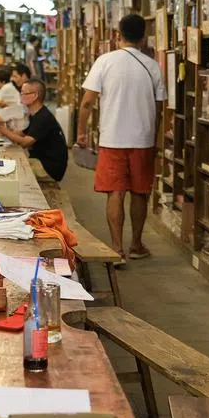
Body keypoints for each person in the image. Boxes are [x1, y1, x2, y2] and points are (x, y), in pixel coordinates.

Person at [77, 14, 166, 260]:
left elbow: (87, 102)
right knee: (140, 192)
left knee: (114, 192)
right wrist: (155, 138)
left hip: (112, 139)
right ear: (143, 36)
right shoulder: (152, 66)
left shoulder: (105, 62)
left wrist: (81, 132)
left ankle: (117, 248)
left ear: (118, 34)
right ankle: (136, 244)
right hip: (143, 140)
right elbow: (159, 109)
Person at [0, 79, 67, 182]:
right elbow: (21, 134)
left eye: (23, 93)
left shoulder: (43, 118)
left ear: (34, 95)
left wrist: (2, 128)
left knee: (8, 172)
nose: (20, 96)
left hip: (48, 167)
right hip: (39, 160)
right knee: (5, 163)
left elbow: (24, 143)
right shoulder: (35, 114)